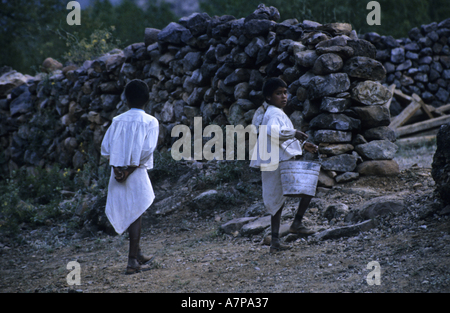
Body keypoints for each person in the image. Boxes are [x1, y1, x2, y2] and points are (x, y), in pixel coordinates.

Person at [250, 77, 318, 253]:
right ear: (268, 97)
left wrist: (302, 145)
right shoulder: (273, 113)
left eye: (285, 92)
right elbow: (275, 133)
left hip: (275, 161)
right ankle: (295, 224)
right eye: (278, 93)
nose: (283, 96)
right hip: (278, 162)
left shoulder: (277, 113)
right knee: (307, 187)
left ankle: (275, 241)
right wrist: (294, 133)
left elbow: (280, 138)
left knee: (278, 199)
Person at [101, 79, 159, 274]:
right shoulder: (151, 121)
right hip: (135, 172)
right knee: (136, 214)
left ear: (125, 100)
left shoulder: (117, 120)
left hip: (117, 173)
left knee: (131, 211)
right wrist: (129, 171)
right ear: (147, 100)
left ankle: (138, 252)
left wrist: (118, 169)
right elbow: (147, 150)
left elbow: (106, 148)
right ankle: (132, 261)